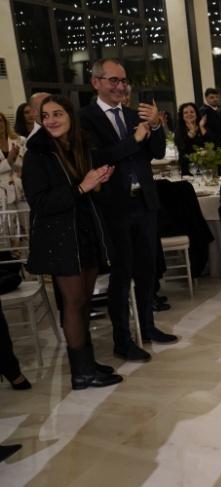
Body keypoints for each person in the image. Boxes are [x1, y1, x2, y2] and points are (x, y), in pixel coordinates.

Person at [80, 58, 178, 363]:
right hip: (114, 207)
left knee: (147, 270)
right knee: (121, 276)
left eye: (123, 81)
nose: (120, 86)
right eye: (113, 80)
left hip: (144, 202)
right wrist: (133, 139)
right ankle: (122, 340)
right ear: (96, 82)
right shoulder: (85, 118)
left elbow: (157, 152)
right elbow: (97, 158)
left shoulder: (134, 114)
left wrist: (156, 125)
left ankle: (147, 327)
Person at [23, 94, 123, 389]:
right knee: (74, 302)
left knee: (84, 302)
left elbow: (86, 192)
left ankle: (87, 362)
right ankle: (81, 373)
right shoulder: (36, 153)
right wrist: (81, 187)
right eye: (46, 116)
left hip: (85, 232)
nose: (51, 120)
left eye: (58, 114)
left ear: (70, 116)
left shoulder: (79, 145)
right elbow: (40, 203)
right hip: (60, 238)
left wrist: (97, 183)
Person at [174, 102, 211, 176]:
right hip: (188, 168)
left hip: (205, 166)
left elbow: (210, 143)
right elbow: (183, 147)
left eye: (192, 112)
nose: (189, 114)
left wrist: (201, 127)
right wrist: (192, 131)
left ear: (196, 114)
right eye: (186, 112)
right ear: (182, 116)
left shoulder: (203, 126)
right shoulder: (180, 130)